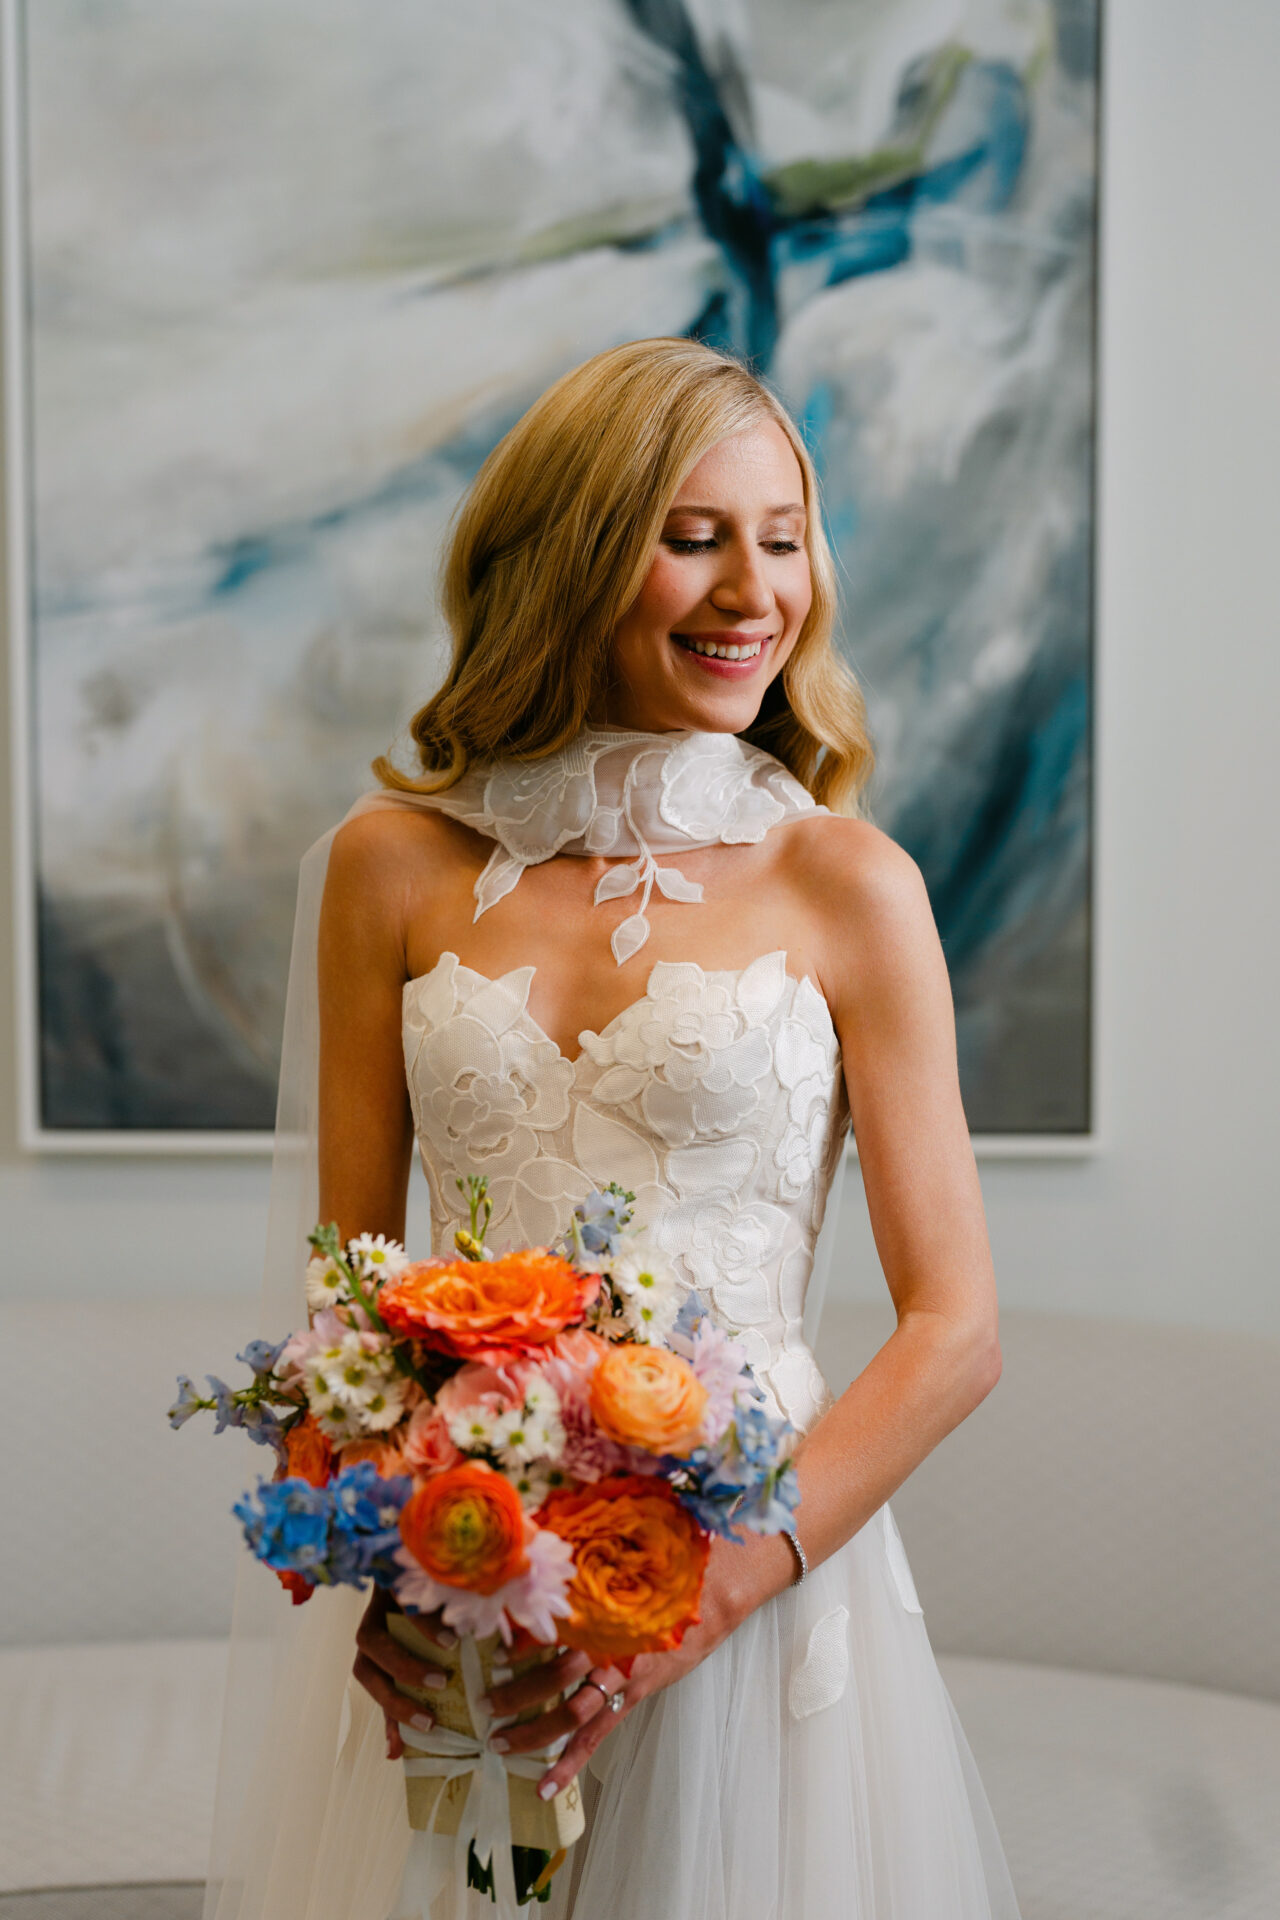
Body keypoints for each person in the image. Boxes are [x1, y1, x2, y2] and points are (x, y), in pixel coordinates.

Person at [206, 337, 1020, 1920]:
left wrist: (704, 1603)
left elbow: (957, 1330)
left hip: (754, 1586)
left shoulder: (850, 884)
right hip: (469, 1591)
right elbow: (349, 1296)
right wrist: (388, 1555)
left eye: (783, 539)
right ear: (573, 555)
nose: (754, 593)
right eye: (693, 537)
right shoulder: (390, 866)